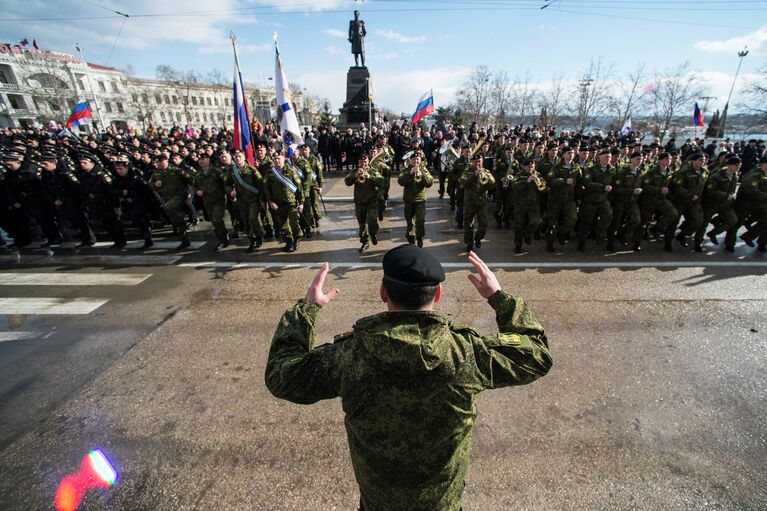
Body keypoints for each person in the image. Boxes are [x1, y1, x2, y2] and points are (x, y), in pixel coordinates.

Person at [265, 246, 552, 511]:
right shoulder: (466, 354)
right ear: (437, 294)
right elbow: (536, 354)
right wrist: (498, 298)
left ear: (383, 292)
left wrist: (307, 310)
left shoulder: (350, 355)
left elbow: (283, 375)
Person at [397, 150, 433, 247]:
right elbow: (400, 181)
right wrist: (410, 173)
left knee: (420, 220)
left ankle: (419, 237)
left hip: (420, 200)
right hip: (408, 200)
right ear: (410, 160)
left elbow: (429, 183)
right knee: (410, 221)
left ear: (420, 160)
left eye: (417, 159)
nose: (415, 161)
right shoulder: (405, 169)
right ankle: (411, 238)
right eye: (413, 159)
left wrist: (423, 175)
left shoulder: (424, 169)